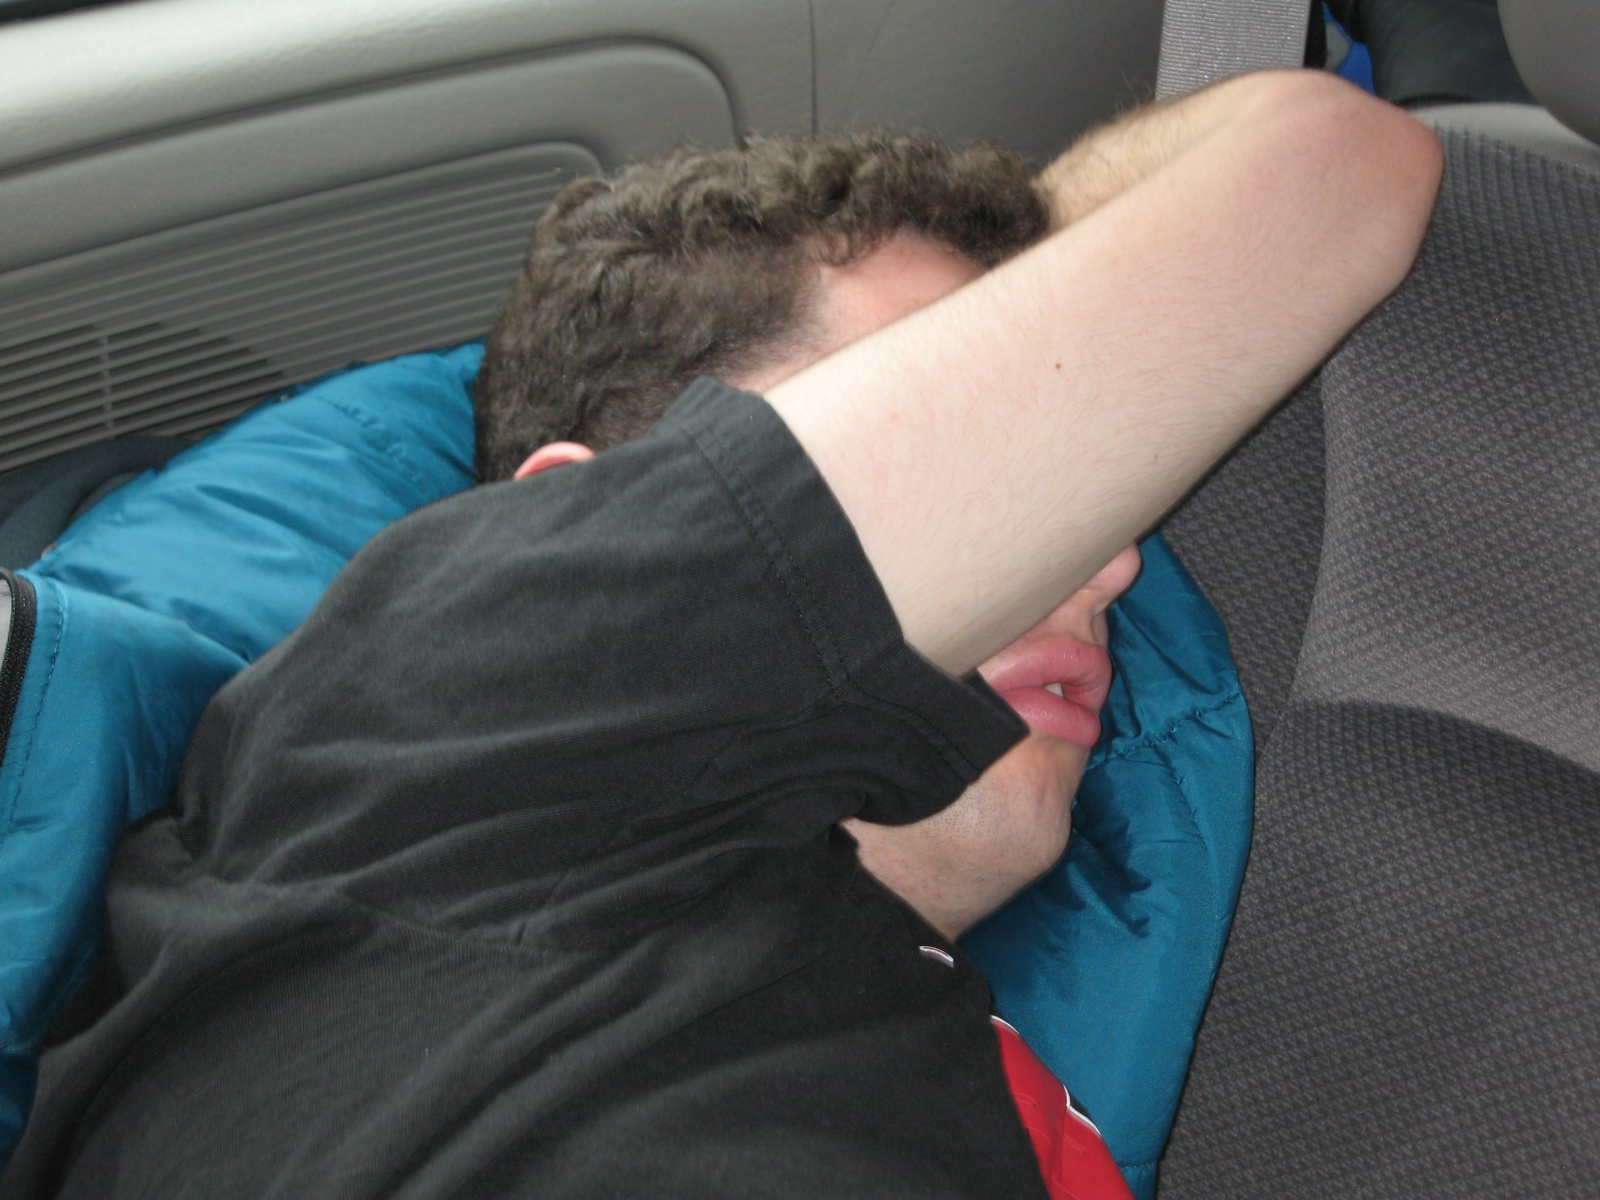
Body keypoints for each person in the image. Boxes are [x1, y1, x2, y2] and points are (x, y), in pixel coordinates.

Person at [0, 68, 1441, 1200]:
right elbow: (1330, 163)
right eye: (973, 433)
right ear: (573, 536)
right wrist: (1049, 306)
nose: (1107, 555)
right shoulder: (456, 699)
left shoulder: (966, 1057)